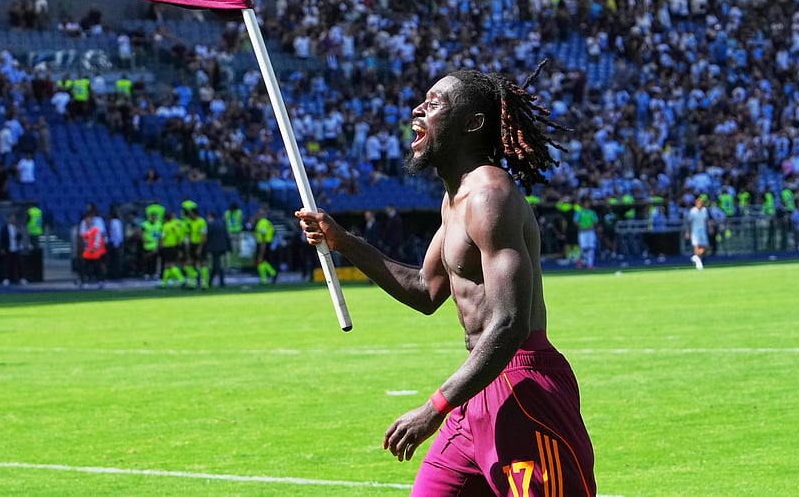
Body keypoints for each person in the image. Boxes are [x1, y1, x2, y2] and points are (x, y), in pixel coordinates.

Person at [295, 64, 596, 495]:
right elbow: (425, 290)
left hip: (522, 391)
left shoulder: (490, 195)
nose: (418, 108)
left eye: (434, 104)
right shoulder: (454, 199)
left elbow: (510, 324)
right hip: (477, 387)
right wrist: (342, 241)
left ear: (472, 124)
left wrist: (434, 407)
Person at [253, 206, 277, 285]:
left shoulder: (262, 223)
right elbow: (273, 232)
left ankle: (268, 276)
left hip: (263, 243)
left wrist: (262, 247)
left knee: (260, 260)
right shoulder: (268, 222)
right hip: (268, 243)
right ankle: (270, 274)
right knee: (264, 261)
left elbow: (263, 234)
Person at [685, 195, 710, 270]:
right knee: (696, 246)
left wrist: (710, 227)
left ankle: (696, 257)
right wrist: (688, 232)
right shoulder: (693, 211)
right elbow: (689, 222)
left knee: (705, 247)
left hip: (703, 230)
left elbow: (706, 220)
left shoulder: (704, 210)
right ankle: (698, 262)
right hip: (695, 231)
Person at [574, 197, 599, 270]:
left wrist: (591, 226)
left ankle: (590, 264)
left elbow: (595, 221)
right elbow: (576, 221)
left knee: (591, 248)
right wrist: (581, 227)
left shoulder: (592, 212)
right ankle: (580, 262)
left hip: (591, 232)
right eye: (585, 202)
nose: (587, 204)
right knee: (583, 248)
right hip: (582, 232)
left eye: (588, 203)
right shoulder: (579, 212)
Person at [205, 210, 229, 287]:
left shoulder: (210, 225)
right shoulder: (222, 223)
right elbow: (226, 235)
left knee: (217, 265)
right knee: (216, 264)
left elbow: (208, 237)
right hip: (222, 246)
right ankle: (210, 281)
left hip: (214, 247)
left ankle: (221, 282)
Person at [0, 212, 23, 286]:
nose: (13, 219)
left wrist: (19, 233)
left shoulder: (16, 227)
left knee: (18, 264)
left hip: (15, 248)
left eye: (14, 218)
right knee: (7, 265)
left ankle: (21, 278)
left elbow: (19, 238)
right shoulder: (5, 228)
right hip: (8, 249)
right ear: (8, 219)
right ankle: (6, 279)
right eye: (11, 218)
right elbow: (2, 238)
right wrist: (2, 248)